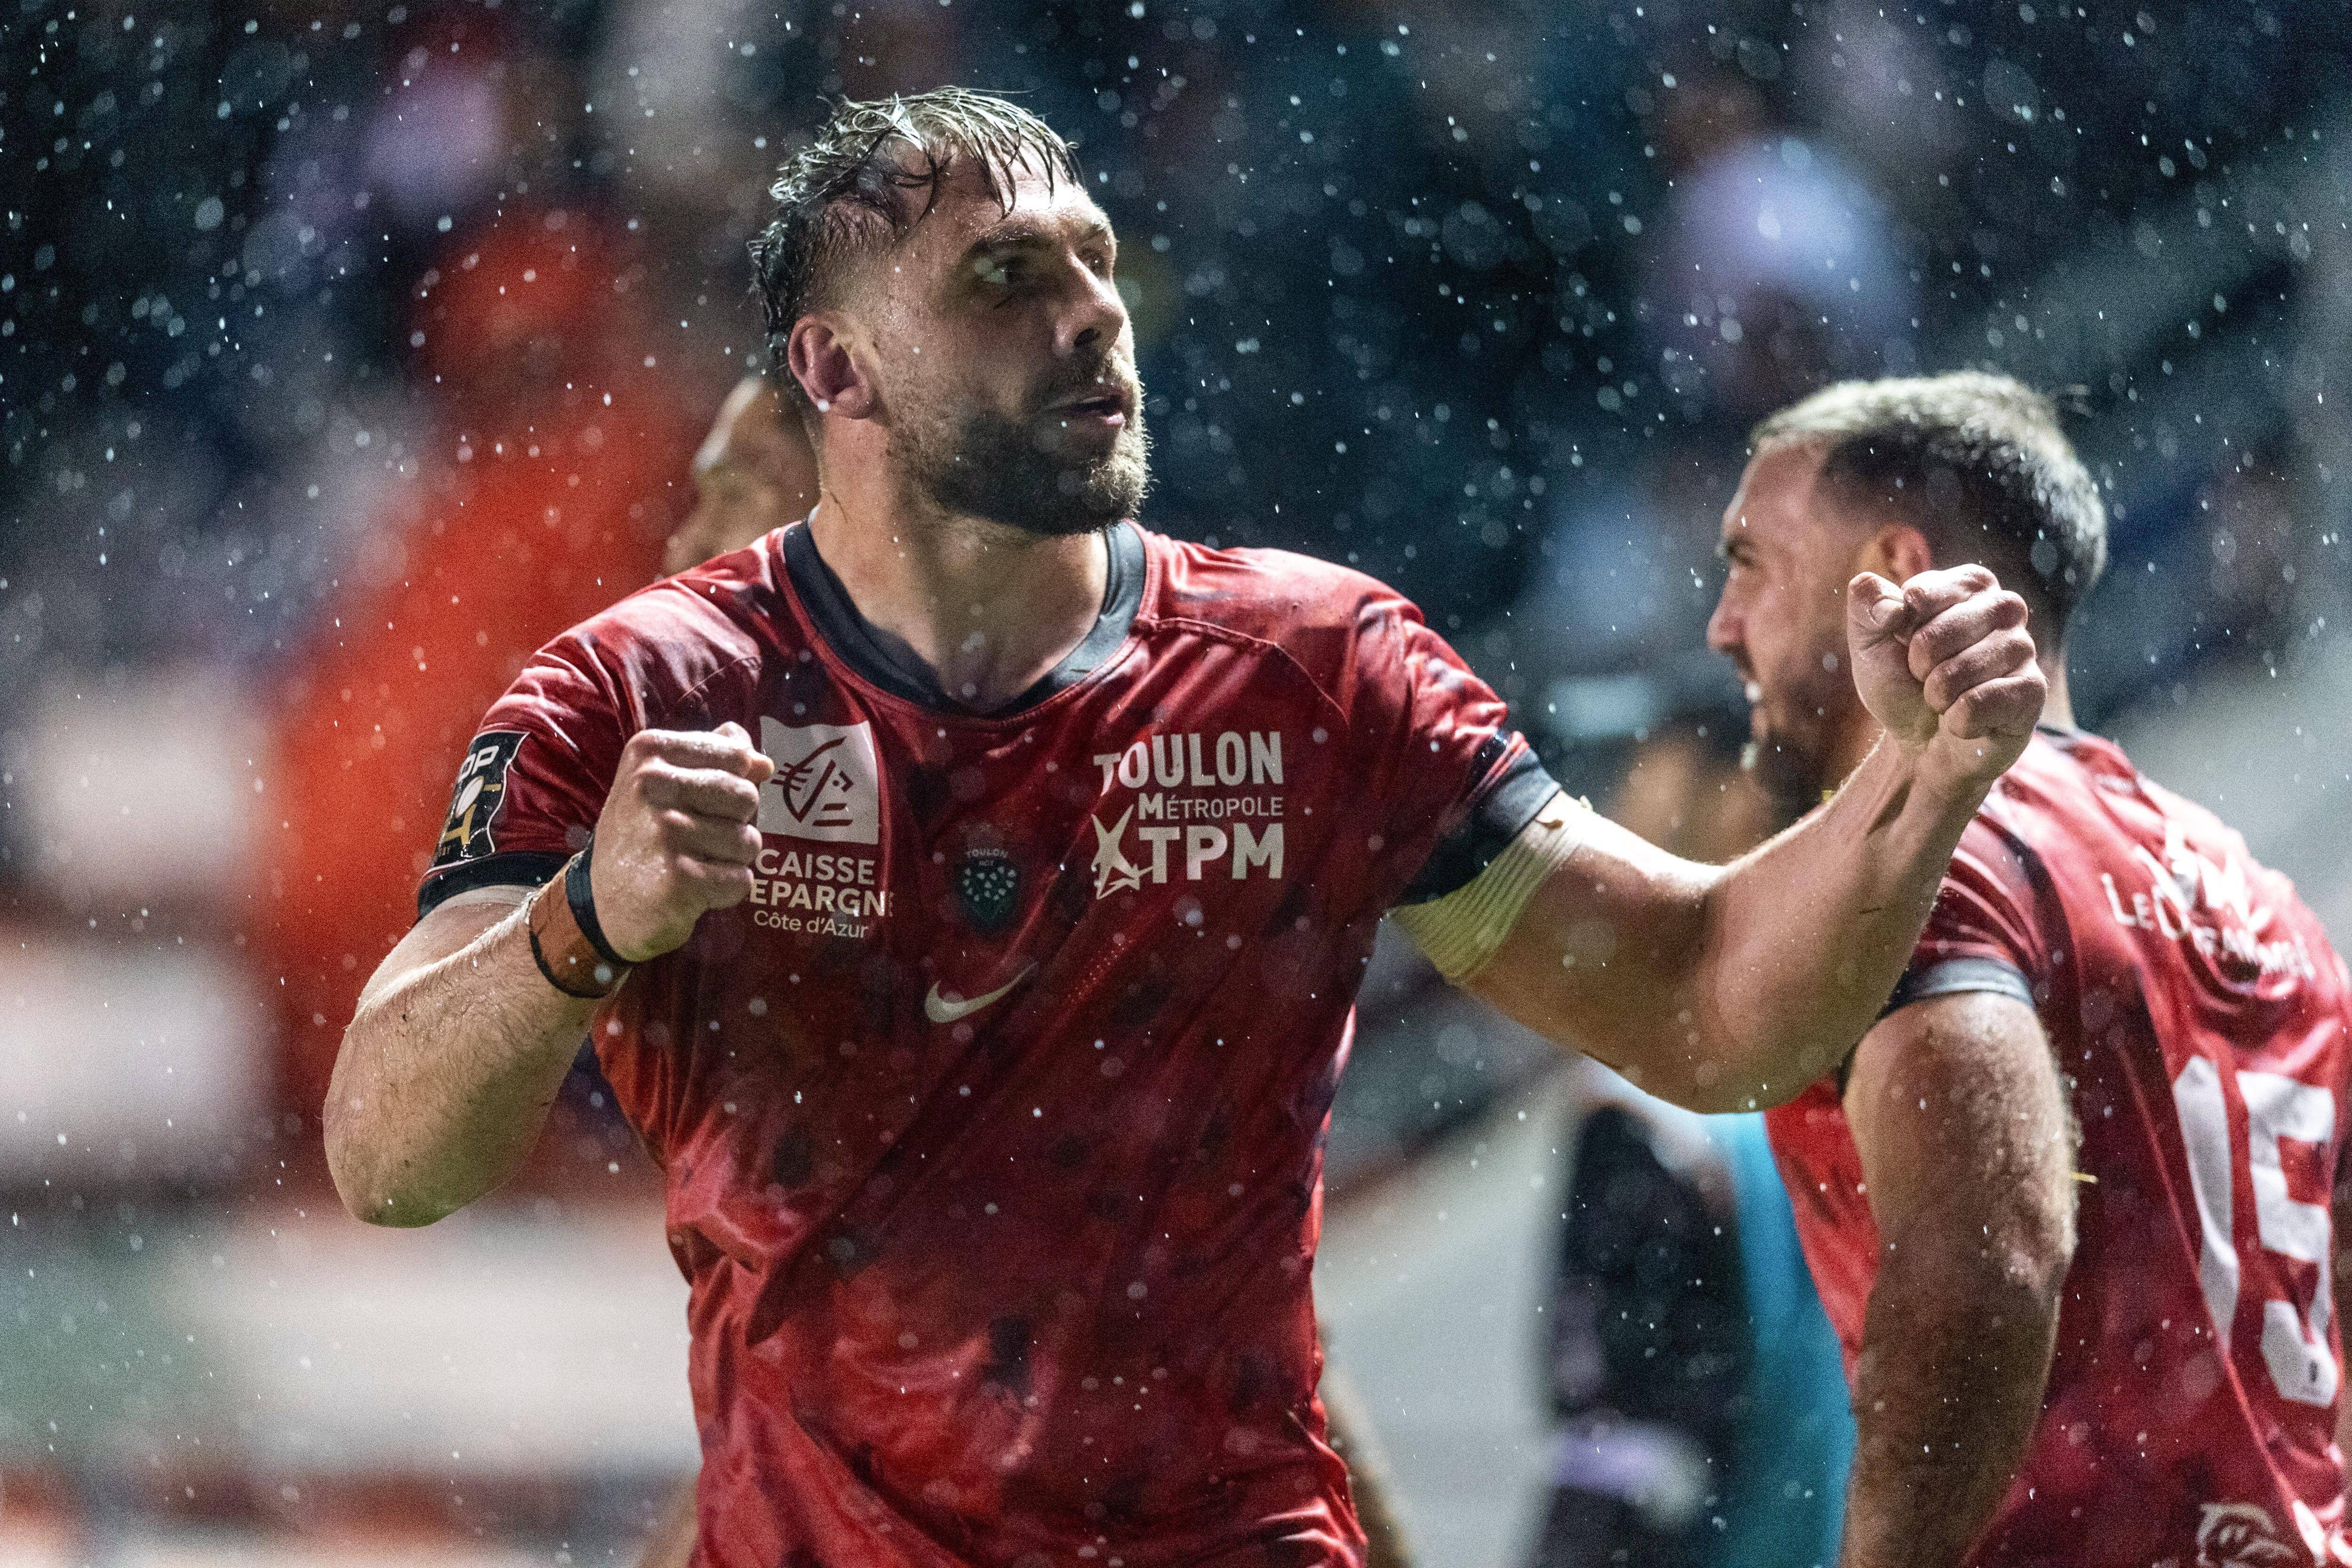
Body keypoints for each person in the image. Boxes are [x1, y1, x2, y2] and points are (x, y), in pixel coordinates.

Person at [321, 90, 2042, 1568]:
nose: (1092, 311)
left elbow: (1706, 1004)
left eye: (1097, 257)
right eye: (1008, 277)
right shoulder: (633, 693)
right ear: (834, 368)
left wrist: (1920, 780)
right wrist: (581, 924)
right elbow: (389, 1156)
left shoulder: (1319, 671)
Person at [1705, 371, 2352, 1568]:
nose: (1722, 623)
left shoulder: (1917, 863)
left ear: (1886, 575)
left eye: (1749, 562)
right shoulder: (2263, 903)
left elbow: (1984, 1262)